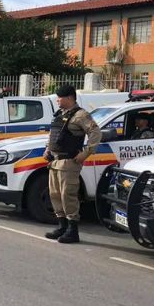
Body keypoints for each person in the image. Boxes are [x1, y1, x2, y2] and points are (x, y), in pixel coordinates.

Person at [43, 84, 101, 244]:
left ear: (69, 98)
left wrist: (86, 153)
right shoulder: (60, 114)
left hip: (69, 162)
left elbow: (96, 133)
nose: (57, 101)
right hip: (55, 161)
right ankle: (62, 226)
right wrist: (47, 149)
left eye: (59, 98)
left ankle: (72, 231)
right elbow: (54, 134)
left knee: (67, 196)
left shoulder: (81, 115)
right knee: (55, 196)